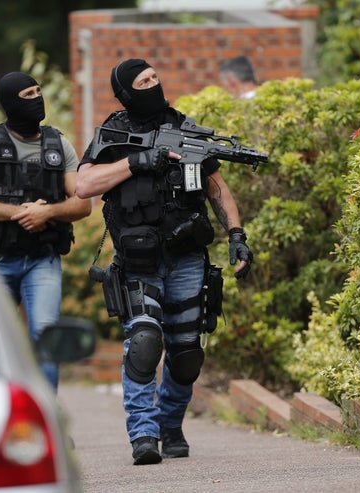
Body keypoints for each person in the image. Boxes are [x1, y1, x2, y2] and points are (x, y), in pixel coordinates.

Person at [75, 58, 253, 465]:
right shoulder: (113, 133)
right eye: (143, 81)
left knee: (187, 351)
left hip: (188, 257)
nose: (153, 84)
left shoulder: (184, 128)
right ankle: (143, 433)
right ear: (125, 93)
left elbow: (217, 190)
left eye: (155, 77)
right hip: (138, 260)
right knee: (143, 341)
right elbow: (83, 184)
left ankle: (171, 424)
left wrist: (237, 237)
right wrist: (136, 162)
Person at [0, 71, 92, 391]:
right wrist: (20, 213)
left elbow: (83, 203)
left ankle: (49, 419)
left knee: (47, 339)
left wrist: (48, 211)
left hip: (42, 260)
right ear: (10, 104)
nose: (37, 99)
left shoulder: (59, 144)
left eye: (38, 91)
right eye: (28, 95)